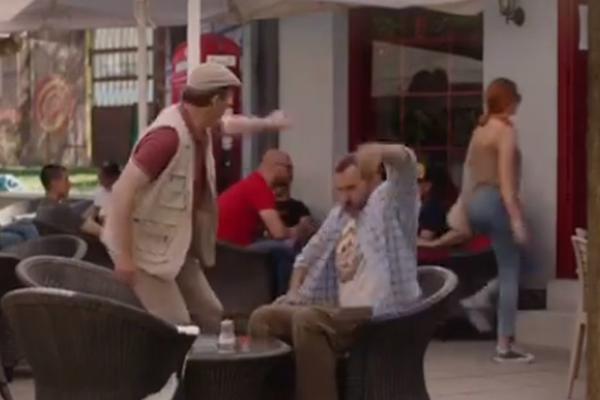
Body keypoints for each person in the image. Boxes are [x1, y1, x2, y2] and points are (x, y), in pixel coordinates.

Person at [102, 63, 289, 332]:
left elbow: (230, 125)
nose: (228, 107)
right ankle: (174, 361)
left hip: (174, 246)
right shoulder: (167, 138)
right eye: (226, 101)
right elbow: (122, 191)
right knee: (176, 324)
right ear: (213, 100)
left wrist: (268, 123)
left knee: (209, 313)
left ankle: (206, 360)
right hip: (142, 248)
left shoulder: (199, 126)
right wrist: (124, 257)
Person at [248, 143, 421, 400]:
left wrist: (381, 152)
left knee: (309, 321)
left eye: (351, 188)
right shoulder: (340, 216)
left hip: (381, 313)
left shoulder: (389, 204)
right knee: (264, 318)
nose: (344, 197)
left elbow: (406, 166)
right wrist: (294, 292)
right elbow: (305, 258)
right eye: (340, 190)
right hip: (340, 312)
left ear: (372, 180)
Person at [449, 77, 532, 363]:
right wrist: (517, 219)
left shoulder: (480, 130)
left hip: (476, 203)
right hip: (496, 201)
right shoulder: (506, 131)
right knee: (511, 270)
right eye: (516, 98)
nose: (518, 104)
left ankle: (481, 298)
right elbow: (507, 183)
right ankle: (504, 344)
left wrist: (464, 208)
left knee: (515, 263)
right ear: (509, 101)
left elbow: (468, 172)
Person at [218, 149, 312, 295]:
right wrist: (298, 230)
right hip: (232, 249)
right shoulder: (259, 187)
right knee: (286, 249)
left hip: (223, 247)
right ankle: (287, 297)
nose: (291, 174)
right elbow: (279, 233)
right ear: (276, 167)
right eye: (288, 168)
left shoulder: (250, 184)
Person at [35, 164, 102, 237]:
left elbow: (78, 221)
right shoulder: (60, 210)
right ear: (54, 183)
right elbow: (101, 232)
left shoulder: (42, 207)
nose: (70, 184)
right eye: (66, 180)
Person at [418, 162, 449, 240]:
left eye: (418, 182)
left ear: (428, 186)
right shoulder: (434, 204)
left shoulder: (432, 207)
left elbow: (425, 239)